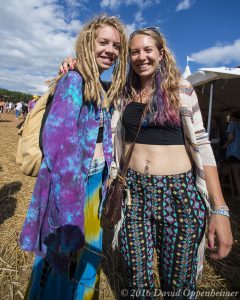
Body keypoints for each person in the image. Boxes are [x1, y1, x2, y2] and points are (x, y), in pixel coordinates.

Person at [60, 28, 233, 299]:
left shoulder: (182, 90)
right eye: (134, 52)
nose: (141, 57)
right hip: (133, 196)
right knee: (136, 278)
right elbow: (90, 89)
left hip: (180, 196)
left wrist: (219, 210)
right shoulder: (122, 94)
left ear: (161, 54)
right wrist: (76, 68)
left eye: (148, 50)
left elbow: (202, 146)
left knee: (178, 283)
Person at [19, 15, 128, 300]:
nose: (110, 50)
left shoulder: (102, 86)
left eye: (116, 46)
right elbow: (60, 149)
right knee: (60, 264)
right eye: (103, 42)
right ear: (88, 44)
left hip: (94, 183)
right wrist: (71, 213)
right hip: (71, 189)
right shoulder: (73, 80)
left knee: (85, 258)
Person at [223, 110, 240, 198]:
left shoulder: (232, 124)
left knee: (236, 175)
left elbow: (231, 137)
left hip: (234, 152)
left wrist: (225, 145)